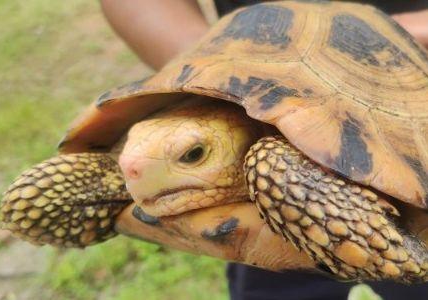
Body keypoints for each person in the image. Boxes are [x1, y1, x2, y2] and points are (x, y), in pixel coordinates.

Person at [99, 1, 428, 299]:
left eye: (194, 154)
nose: (132, 169)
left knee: (272, 166)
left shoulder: (273, 167)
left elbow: (279, 167)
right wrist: (210, 72)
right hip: (230, 43)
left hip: (385, 64)